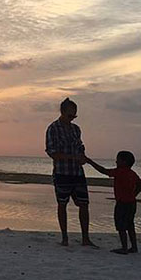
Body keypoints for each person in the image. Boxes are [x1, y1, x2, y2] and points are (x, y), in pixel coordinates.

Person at [45, 98, 97, 248]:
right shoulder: (53, 128)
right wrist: (72, 157)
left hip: (77, 172)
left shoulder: (76, 129)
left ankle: (85, 238)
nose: (72, 119)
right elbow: (52, 152)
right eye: (70, 116)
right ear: (62, 112)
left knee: (84, 204)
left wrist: (81, 155)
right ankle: (65, 237)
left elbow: (80, 145)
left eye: (74, 116)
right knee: (62, 204)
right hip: (62, 172)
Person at [86, 151, 141, 254]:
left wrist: (90, 162)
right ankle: (134, 247)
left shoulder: (119, 171)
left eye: (118, 159)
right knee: (130, 225)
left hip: (122, 203)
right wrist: (134, 195)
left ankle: (124, 248)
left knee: (121, 226)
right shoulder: (132, 173)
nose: (116, 161)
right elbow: (139, 185)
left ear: (124, 162)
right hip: (132, 203)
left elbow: (104, 171)